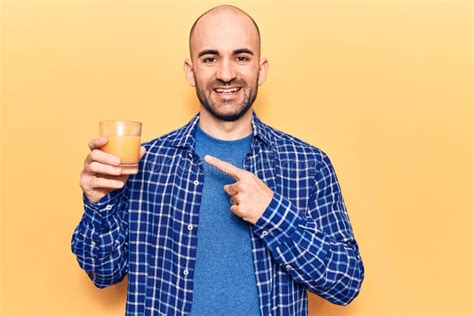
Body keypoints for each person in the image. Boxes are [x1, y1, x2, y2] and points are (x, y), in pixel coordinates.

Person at [71, 4, 365, 315]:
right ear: (190, 70)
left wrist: (271, 214)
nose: (226, 74)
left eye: (241, 57)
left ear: (261, 69)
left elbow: (345, 283)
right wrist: (98, 203)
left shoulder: (307, 163)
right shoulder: (145, 162)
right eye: (210, 58)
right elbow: (103, 272)